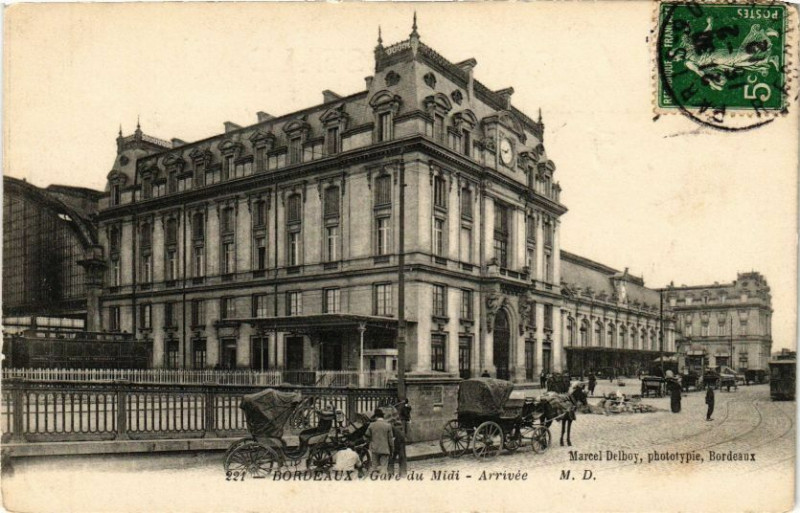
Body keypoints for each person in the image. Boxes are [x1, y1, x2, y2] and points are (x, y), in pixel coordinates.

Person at [365, 408, 394, 476]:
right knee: (383, 467)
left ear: (376, 417)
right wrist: (392, 449)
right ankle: (382, 479)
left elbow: (366, 436)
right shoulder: (388, 425)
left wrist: (370, 443)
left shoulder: (371, 425)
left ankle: (375, 478)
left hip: (374, 449)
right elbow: (391, 440)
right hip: (385, 449)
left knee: (375, 467)